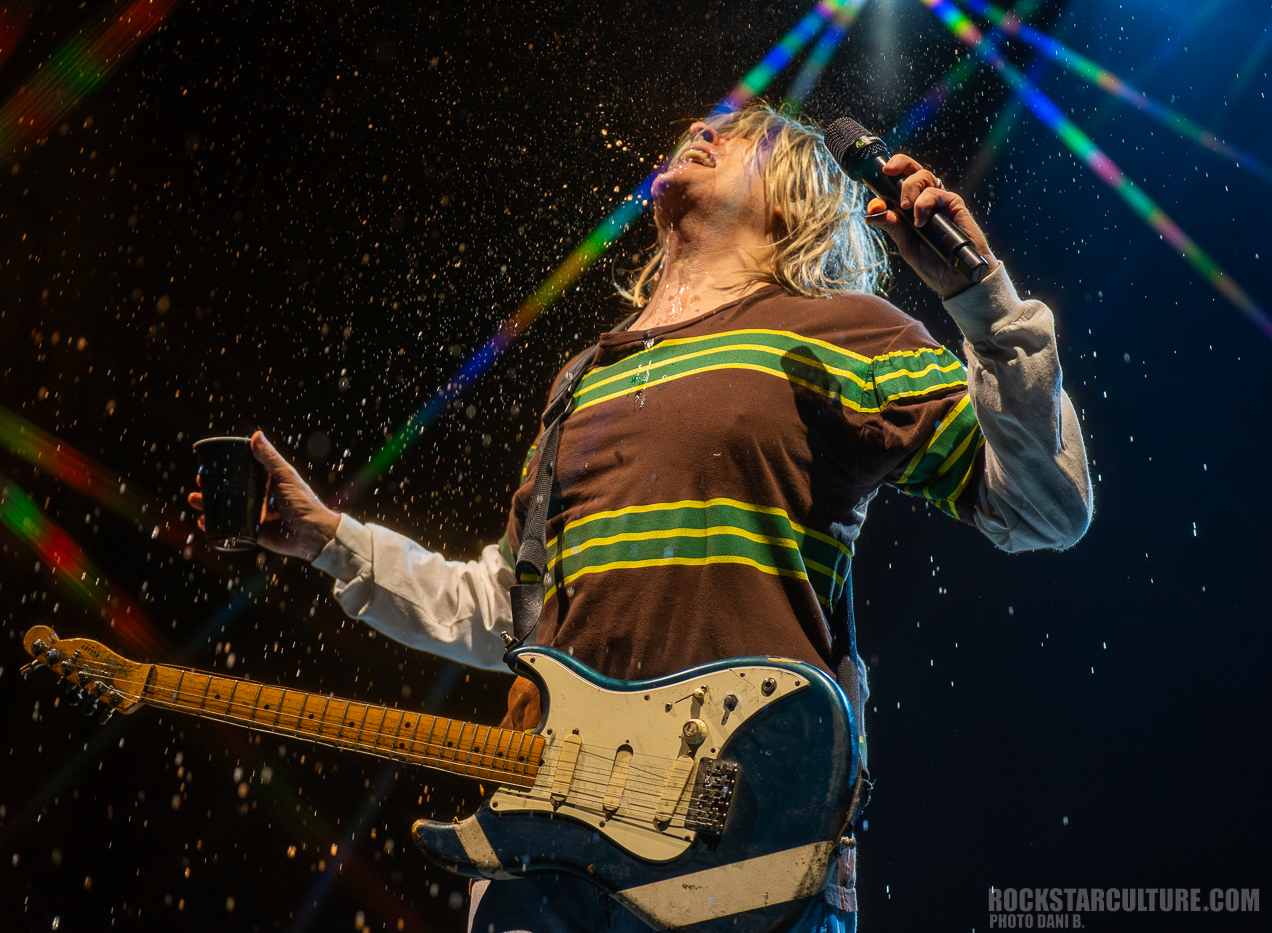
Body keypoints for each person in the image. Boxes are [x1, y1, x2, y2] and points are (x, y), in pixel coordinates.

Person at [190, 102, 1092, 932]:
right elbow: (511, 610)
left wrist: (984, 300)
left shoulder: (846, 329)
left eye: (738, 131)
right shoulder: (582, 376)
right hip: (544, 865)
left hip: (745, 863)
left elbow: (1043, 505)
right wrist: (328, 539)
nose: (701, 123)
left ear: (793, 195)